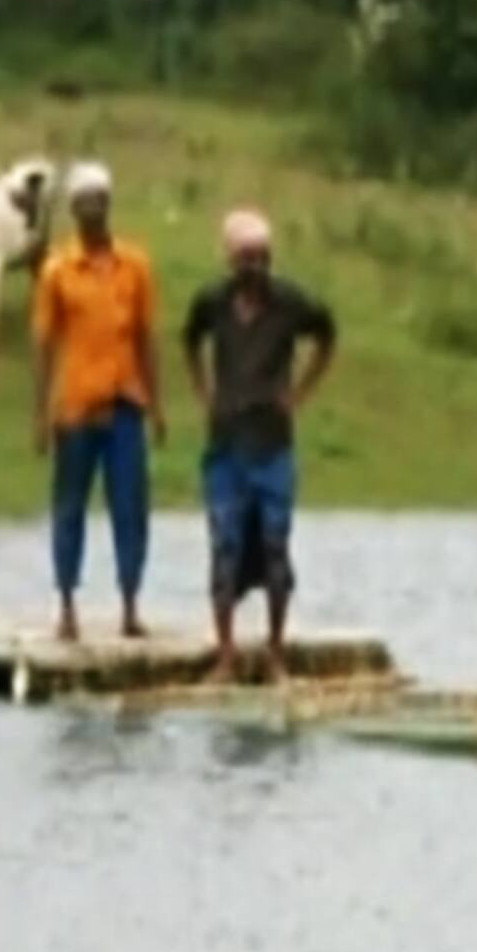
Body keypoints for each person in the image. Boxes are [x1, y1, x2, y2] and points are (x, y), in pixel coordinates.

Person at [182, 209, 337, 683]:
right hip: (226, 441)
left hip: (273, 443)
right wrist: (204, 393)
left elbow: (327, 335)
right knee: (225, 542)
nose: (255, 266)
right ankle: (226, 654)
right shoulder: (212, 302)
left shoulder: (290, 303)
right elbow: (190, 340)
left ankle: (274, 652)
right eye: (246, 257)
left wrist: (300, 393)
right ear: (231, 259)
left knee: (275, 544)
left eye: (262, 257)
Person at [31, 162, 166, 642]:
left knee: (131, 505)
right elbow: (45, 345)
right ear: (72, 211)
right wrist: (40, 415)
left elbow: (147, 336)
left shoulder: (136, 267)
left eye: (98, 201)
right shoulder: (57, 271)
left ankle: (130, 605)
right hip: (76, 407)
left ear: (108, 205)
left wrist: (157, 403)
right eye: (82, 203)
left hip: (126, 402)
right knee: (69, 505)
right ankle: (67, 604)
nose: (91, 210)